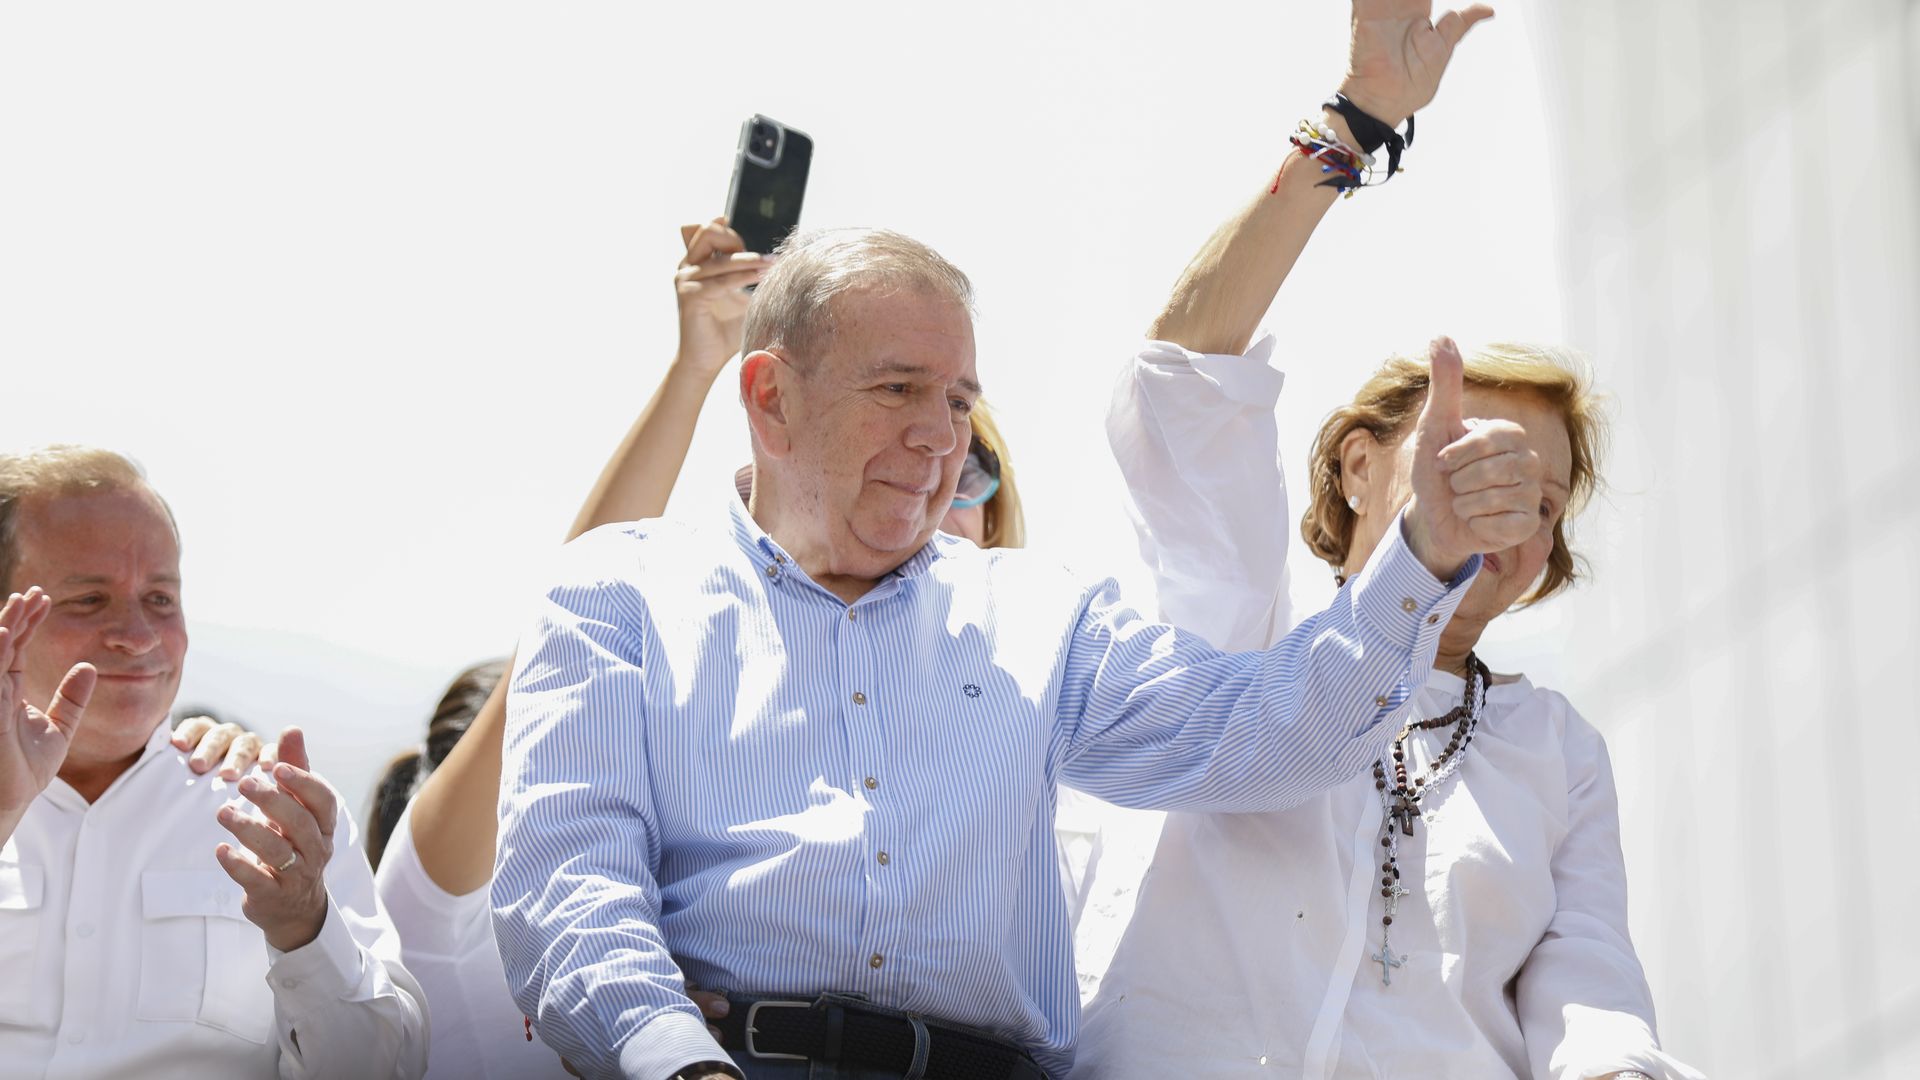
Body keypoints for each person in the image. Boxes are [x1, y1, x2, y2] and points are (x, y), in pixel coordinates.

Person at [489, 220, 1543, 1079]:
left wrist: (1422, 554)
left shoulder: (1040, 614)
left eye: (959, 403)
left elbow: (1270, 737)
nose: (943, 439)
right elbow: (569, 885)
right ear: (771, 396)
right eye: (898, 389)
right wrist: (675, 1058)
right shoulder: (616, 592)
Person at [1074, 3, 1703, 1078]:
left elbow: (1588, 993)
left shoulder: (1554, 751)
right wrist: (1356, 118)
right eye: (1470, 458)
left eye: (1540, 502)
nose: (1503, 510)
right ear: (1361, 465)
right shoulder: (1243, 624)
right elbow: (1178, 384)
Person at [0, 446, 428, 1078]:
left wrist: (306, 928)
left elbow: (387, 1067)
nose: (139, 635)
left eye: (161, 598)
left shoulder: (277, 818)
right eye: (89, 600)